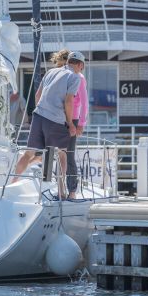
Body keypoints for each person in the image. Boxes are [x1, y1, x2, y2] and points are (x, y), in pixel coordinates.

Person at [14, 51, 83, 198]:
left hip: (38, 115)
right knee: (62, 154)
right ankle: (61, 191)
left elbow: (38, 95)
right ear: (80, 65)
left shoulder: (51, 72)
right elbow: (69, 101)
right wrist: (70, 124)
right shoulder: (75, 77)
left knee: (29, 153)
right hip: (56, 120)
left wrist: (43, 110)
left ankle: (12, 184)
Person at [67, 55, 88, 198]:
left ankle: (72, 191)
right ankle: (62, 188)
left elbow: (85, 103)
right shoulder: (67, 76)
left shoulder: (79, 78)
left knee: (69, 154)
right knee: (61, 154)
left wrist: (80, 124)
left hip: (73, 120)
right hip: (61, 118)